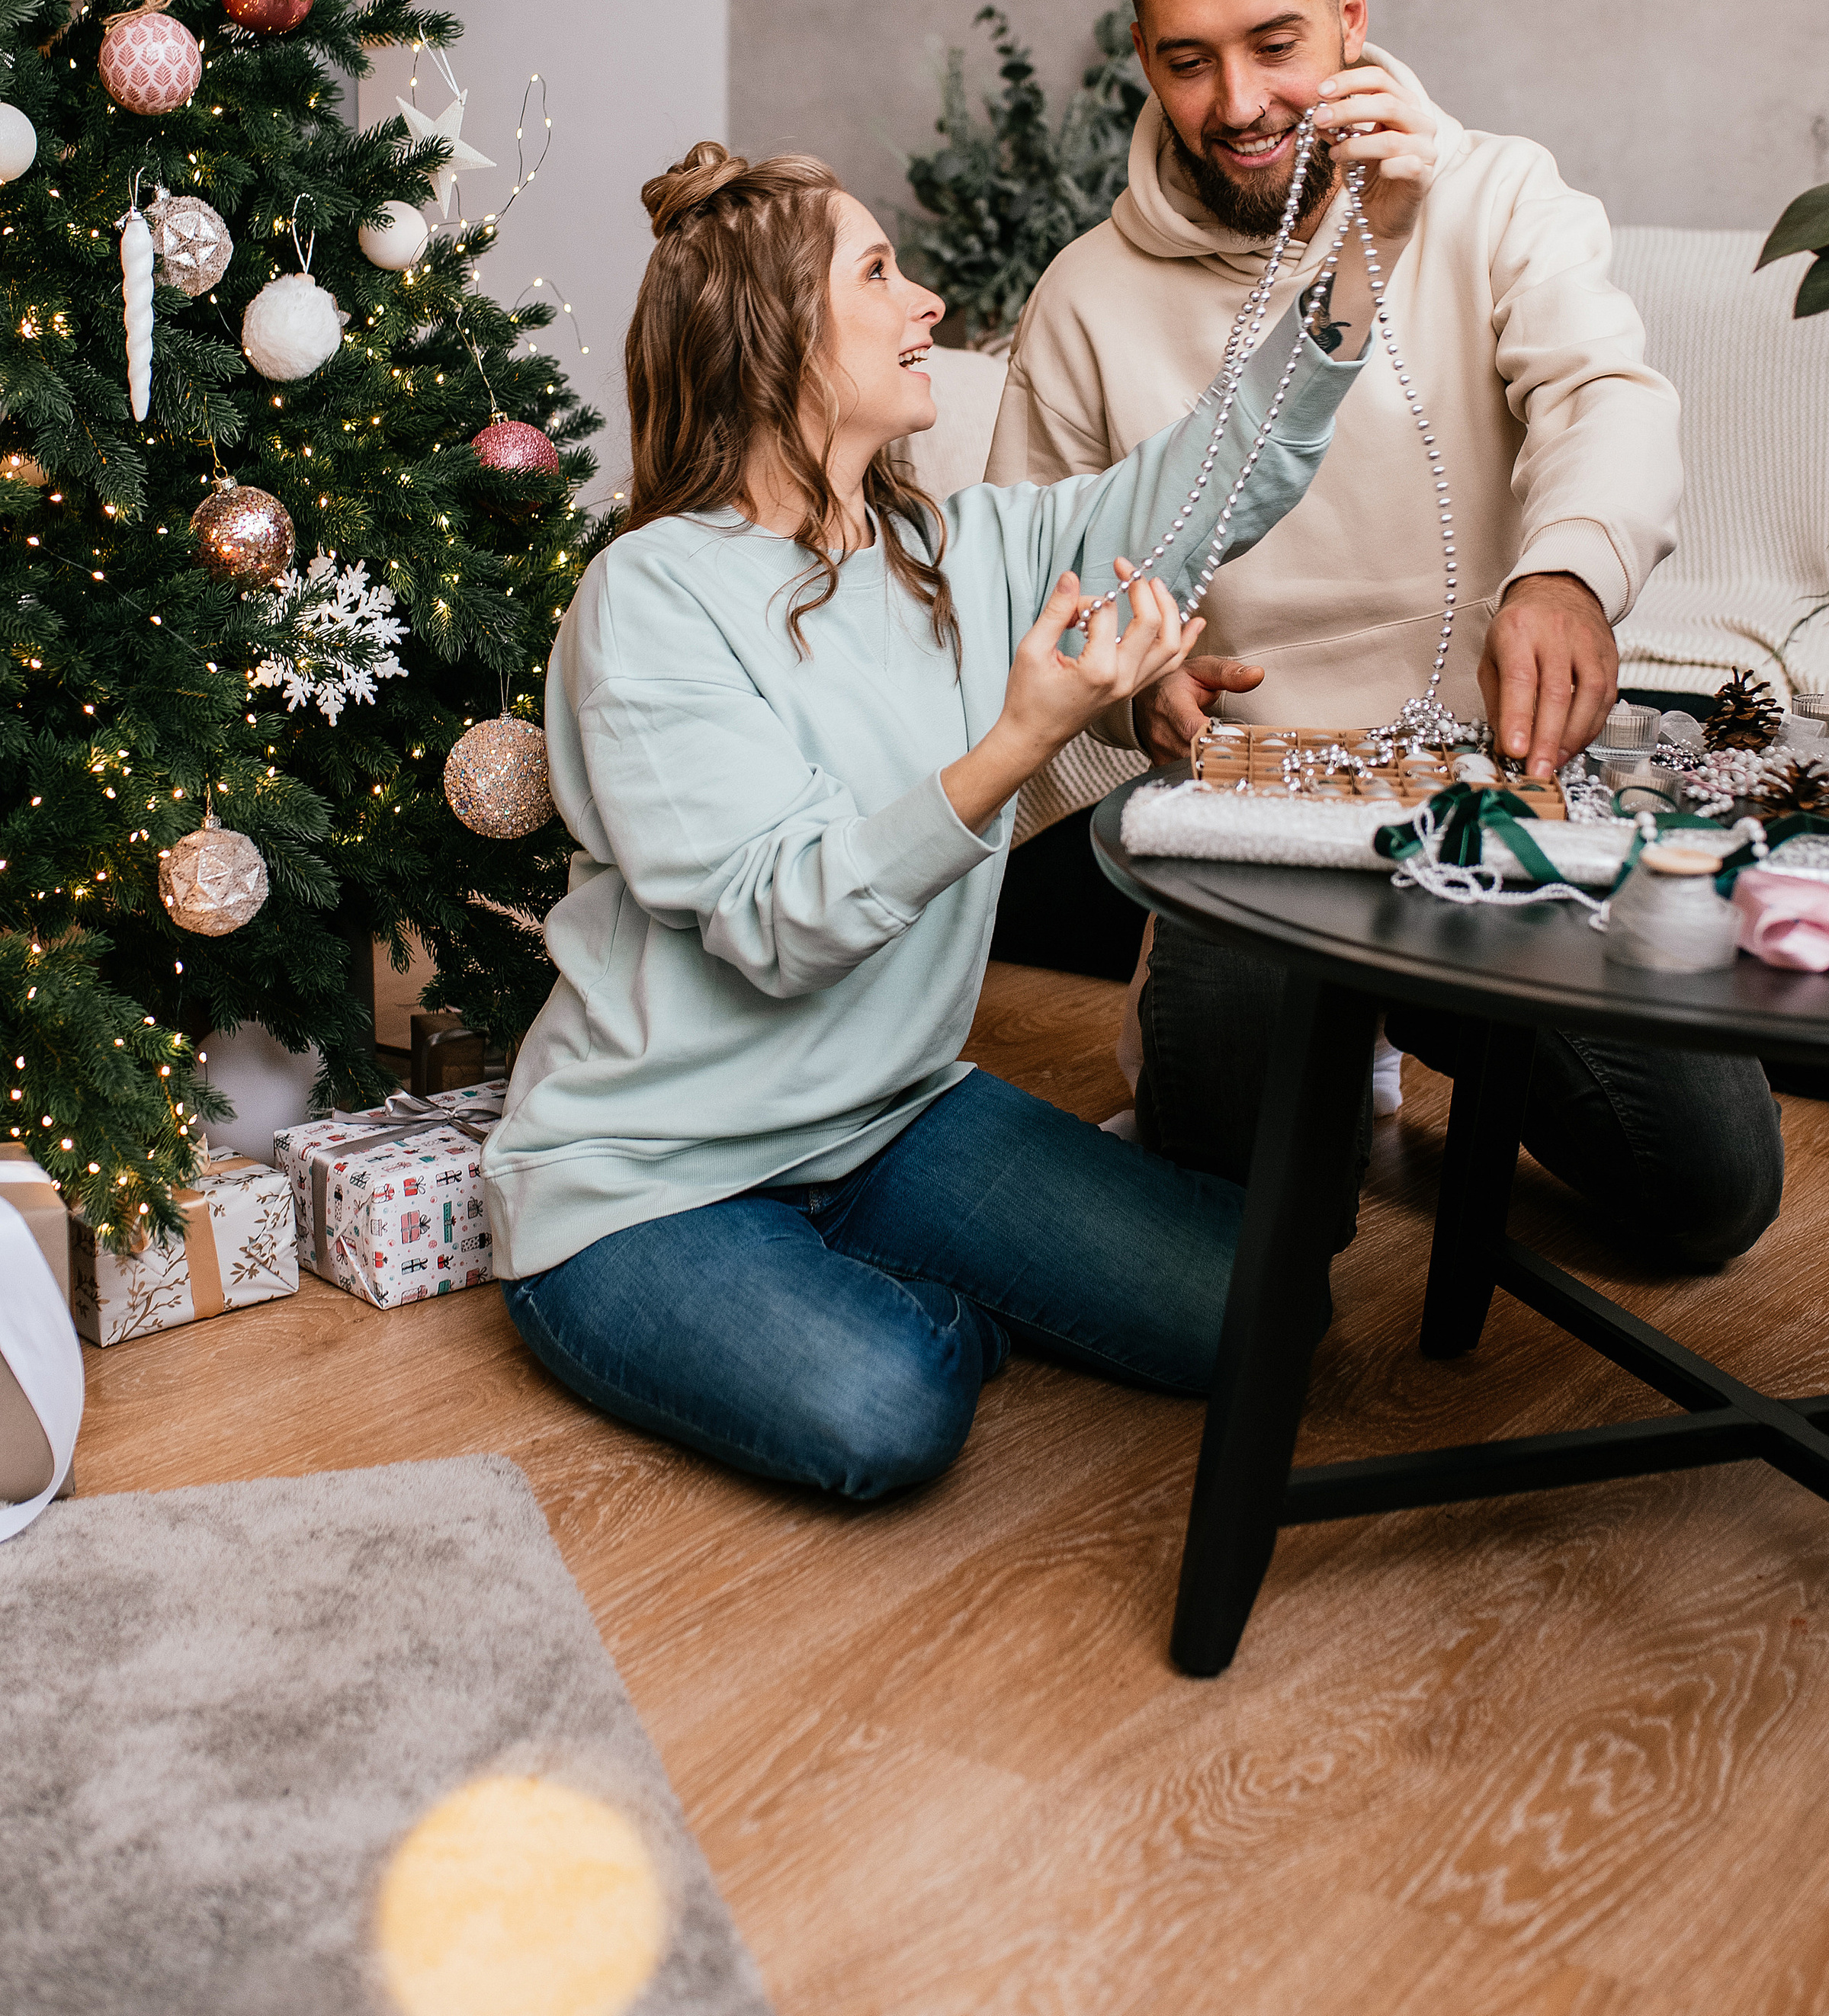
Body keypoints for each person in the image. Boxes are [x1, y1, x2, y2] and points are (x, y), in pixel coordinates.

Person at [483, 117, 1433, 1502]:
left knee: (1270, 1302)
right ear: (770, 340)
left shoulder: (959, 552)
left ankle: (866, 1270)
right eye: (878, 276)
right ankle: (871, 1301)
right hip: (651, 1177)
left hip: (896, 1118)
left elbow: (1211, 480)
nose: (927, 304)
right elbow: (781, 920)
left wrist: (1367, 249)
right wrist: (1022, 740)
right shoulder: (653, 596)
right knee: (886, 1407)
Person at [986, 0, 1784, 1270]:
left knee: (1709, 1197)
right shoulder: (1087, 299)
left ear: (1350, 13)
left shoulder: (1495, 197)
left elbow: (1607, 398)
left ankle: (1410, 1020)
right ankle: (1324, 1041)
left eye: (1276, 43)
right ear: (1143, 61)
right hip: (1247, 836)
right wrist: (1128, 689)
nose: (1237, 104)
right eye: (1187, 60)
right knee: (1243, 1231)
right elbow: (1038, 585)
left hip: (1493, 800)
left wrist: (1568, 575)